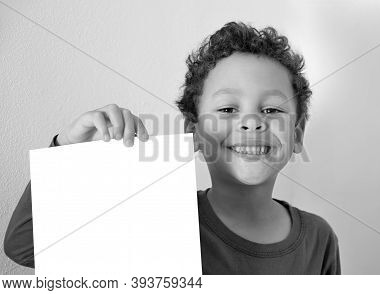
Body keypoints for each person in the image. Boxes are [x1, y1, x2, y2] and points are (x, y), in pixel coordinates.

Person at [3, 22, 341, 275]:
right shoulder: (155, 217)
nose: (251, 122)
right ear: (192, 131)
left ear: (297, 135)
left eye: (272, 110)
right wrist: (67, 151)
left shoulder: (319, 238)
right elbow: (24, 246)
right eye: (227, 109)